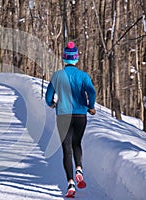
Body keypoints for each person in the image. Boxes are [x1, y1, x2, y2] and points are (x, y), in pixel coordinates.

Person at [45, 42, 96, 198]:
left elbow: (48, 96)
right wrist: (90, 106)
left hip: (63, 116)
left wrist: (52, 104)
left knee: (66, 149)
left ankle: (71, 184)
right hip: (81, 115)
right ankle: (79, 168)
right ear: (76, 58)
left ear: (63, 58)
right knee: (77, 143)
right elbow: (91, 92)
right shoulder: (83, 76)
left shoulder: (58, 75)